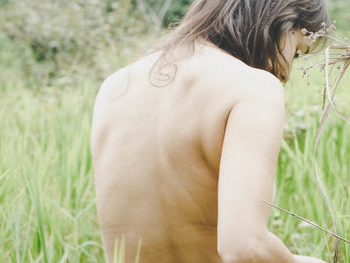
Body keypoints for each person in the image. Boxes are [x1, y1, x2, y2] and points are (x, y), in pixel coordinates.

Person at [91, 0, 330, 262]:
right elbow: (245, 247)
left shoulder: (115, 86)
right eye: (296, 52)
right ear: (282, 20)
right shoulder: (253, 87)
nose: (287, 74)